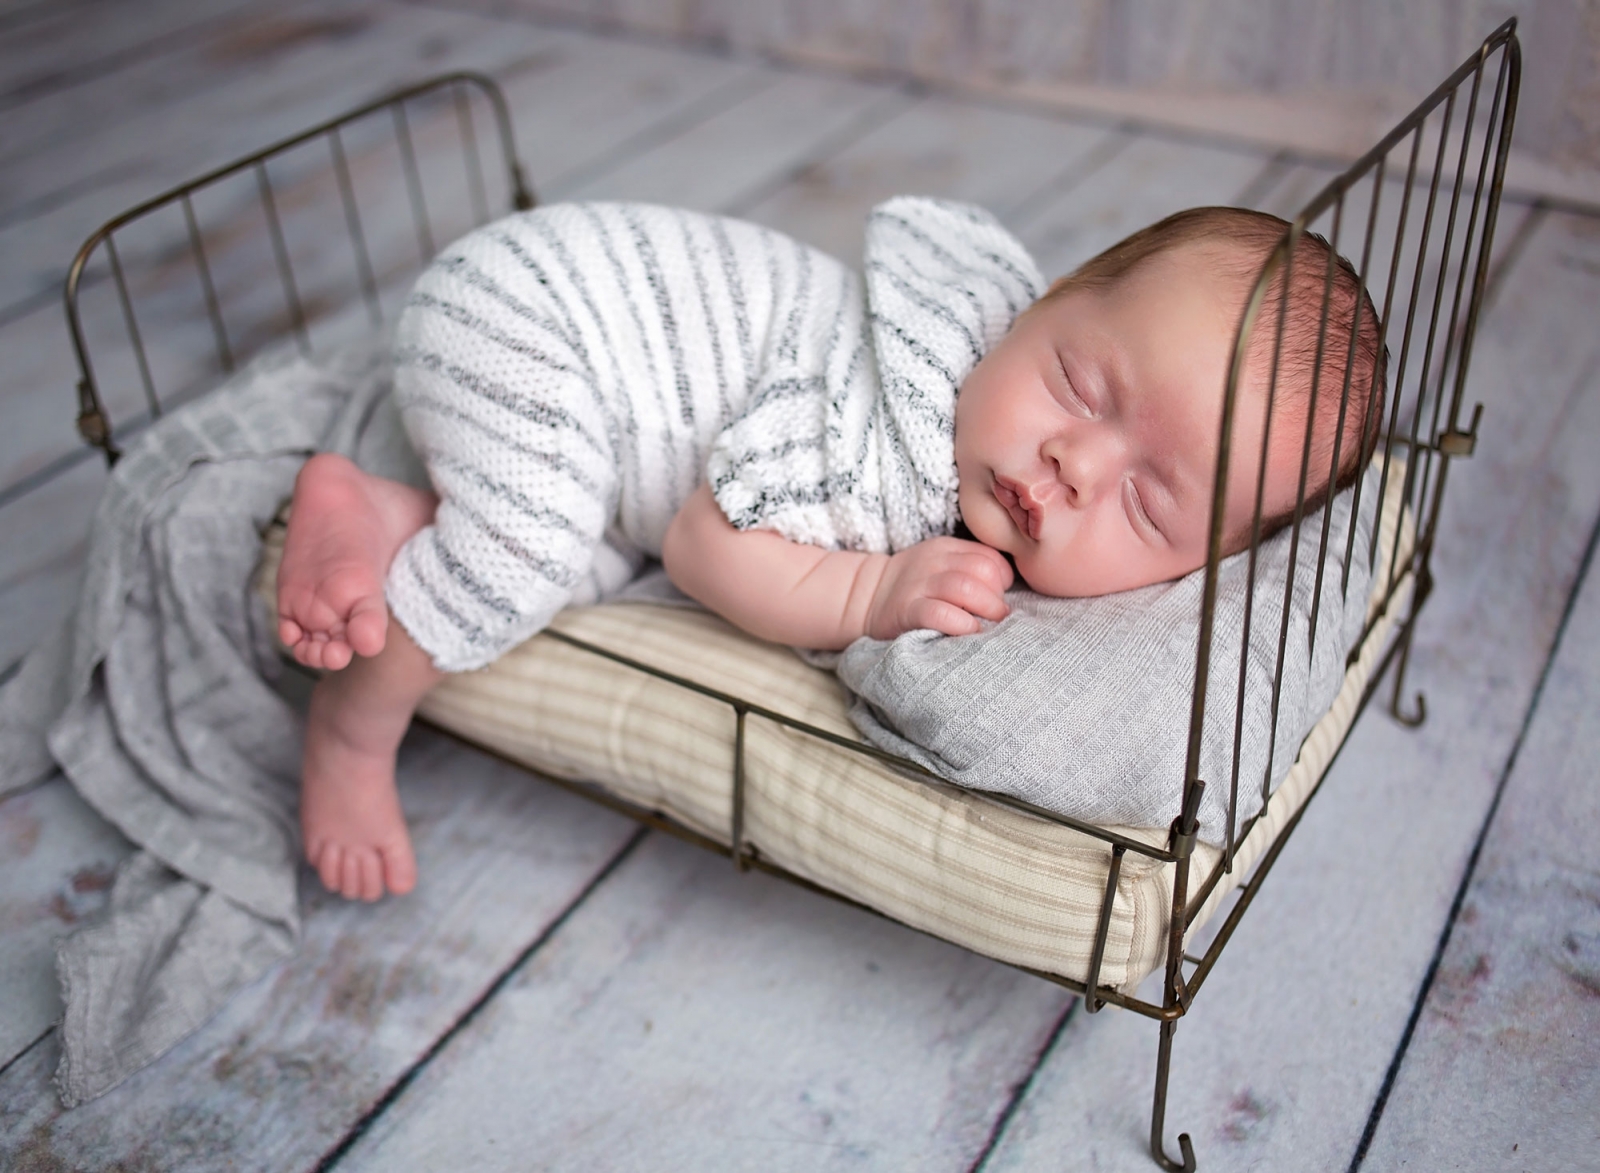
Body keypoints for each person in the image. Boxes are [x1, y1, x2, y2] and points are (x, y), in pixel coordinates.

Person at [274, 198, 1384, 902]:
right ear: (1037, 304)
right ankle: (352, 737)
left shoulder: (992, 442)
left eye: (1146, 505)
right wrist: (869, 590)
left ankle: (377, 510)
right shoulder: (881, 439)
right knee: (517, 560)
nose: (1076, 465)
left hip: (599, 416)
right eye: (1080, 385)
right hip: (531, 317)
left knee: (582, 572)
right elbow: (705, 546)